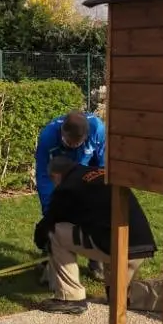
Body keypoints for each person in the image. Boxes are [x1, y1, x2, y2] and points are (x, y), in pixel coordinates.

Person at [34, 157, 163, 316]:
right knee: (119, 298)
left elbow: (49, 223)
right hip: (140, 244)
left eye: (52, 181)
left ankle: (70, 298)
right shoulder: (101, 173)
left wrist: (43, 243)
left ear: (55, 176)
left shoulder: (68, 186)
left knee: (54, 232)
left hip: (114, 244)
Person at [34, 110, 107, 281]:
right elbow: (44, 176)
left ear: (86, 136)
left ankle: (96, 259)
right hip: (59, 173)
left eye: (78, 143)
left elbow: (103, 165)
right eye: (69, 143)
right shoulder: (48, 137)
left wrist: (98, 192)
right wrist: (49, 208)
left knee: (93, 212)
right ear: (62, 134)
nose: (74, 146)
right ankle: (50, 257)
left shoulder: (98, 130)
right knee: (56, 215)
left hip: (88, 172)